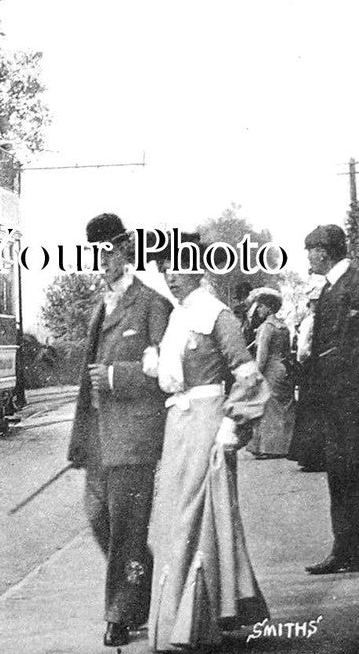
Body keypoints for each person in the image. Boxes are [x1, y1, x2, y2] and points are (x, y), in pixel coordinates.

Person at [148, 233, 268, 651]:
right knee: (174, 517)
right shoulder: (178, 316)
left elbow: (248, 376)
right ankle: (185, 619)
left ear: (199, 270)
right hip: (179, 424)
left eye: (178, 266)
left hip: (208, 422)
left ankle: (196, 621)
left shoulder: (218, 315)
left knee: (195, 516)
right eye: (164, 267)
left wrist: (231, 423)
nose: (170, 275)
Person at [67, 213, 172, 648]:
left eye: (107, 252)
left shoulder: (151, 304)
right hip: (98, 438)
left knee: (127, 529)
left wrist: (115, 377)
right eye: (95, 254)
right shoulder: (103, 305)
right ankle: (138, 581)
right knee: (98, 518)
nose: (101, 261)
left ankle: (120, 614)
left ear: (126, 250)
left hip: (133, 438)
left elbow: (170, 374)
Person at [301, 224, 359, 574]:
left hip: (349, 398)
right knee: (340, 472)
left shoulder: (352, 284)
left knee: (349, 471)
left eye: (310, 250)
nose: (308, 257)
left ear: (324, 252)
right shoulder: (331, 287)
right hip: (335, 399)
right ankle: (346, 547)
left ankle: (348, 550)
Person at [245, 287, 295, 458]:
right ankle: (285, 446)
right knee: (283, 407)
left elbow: (262, 355)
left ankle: (270, 447)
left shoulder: (266, 327)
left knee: (270, 407)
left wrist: (256, 375)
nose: (258, 309)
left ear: (269, 307)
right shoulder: (283, 326)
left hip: (270, 370)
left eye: (261, 306)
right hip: (283, 368)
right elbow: (287, 352)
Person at [289, 282, 326, 470]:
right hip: (321, 367)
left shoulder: (309, 321)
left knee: (308, 412)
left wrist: (303, 362)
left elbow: (302, 350)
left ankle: (310, 457)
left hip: (310, 368)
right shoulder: (323, 320)